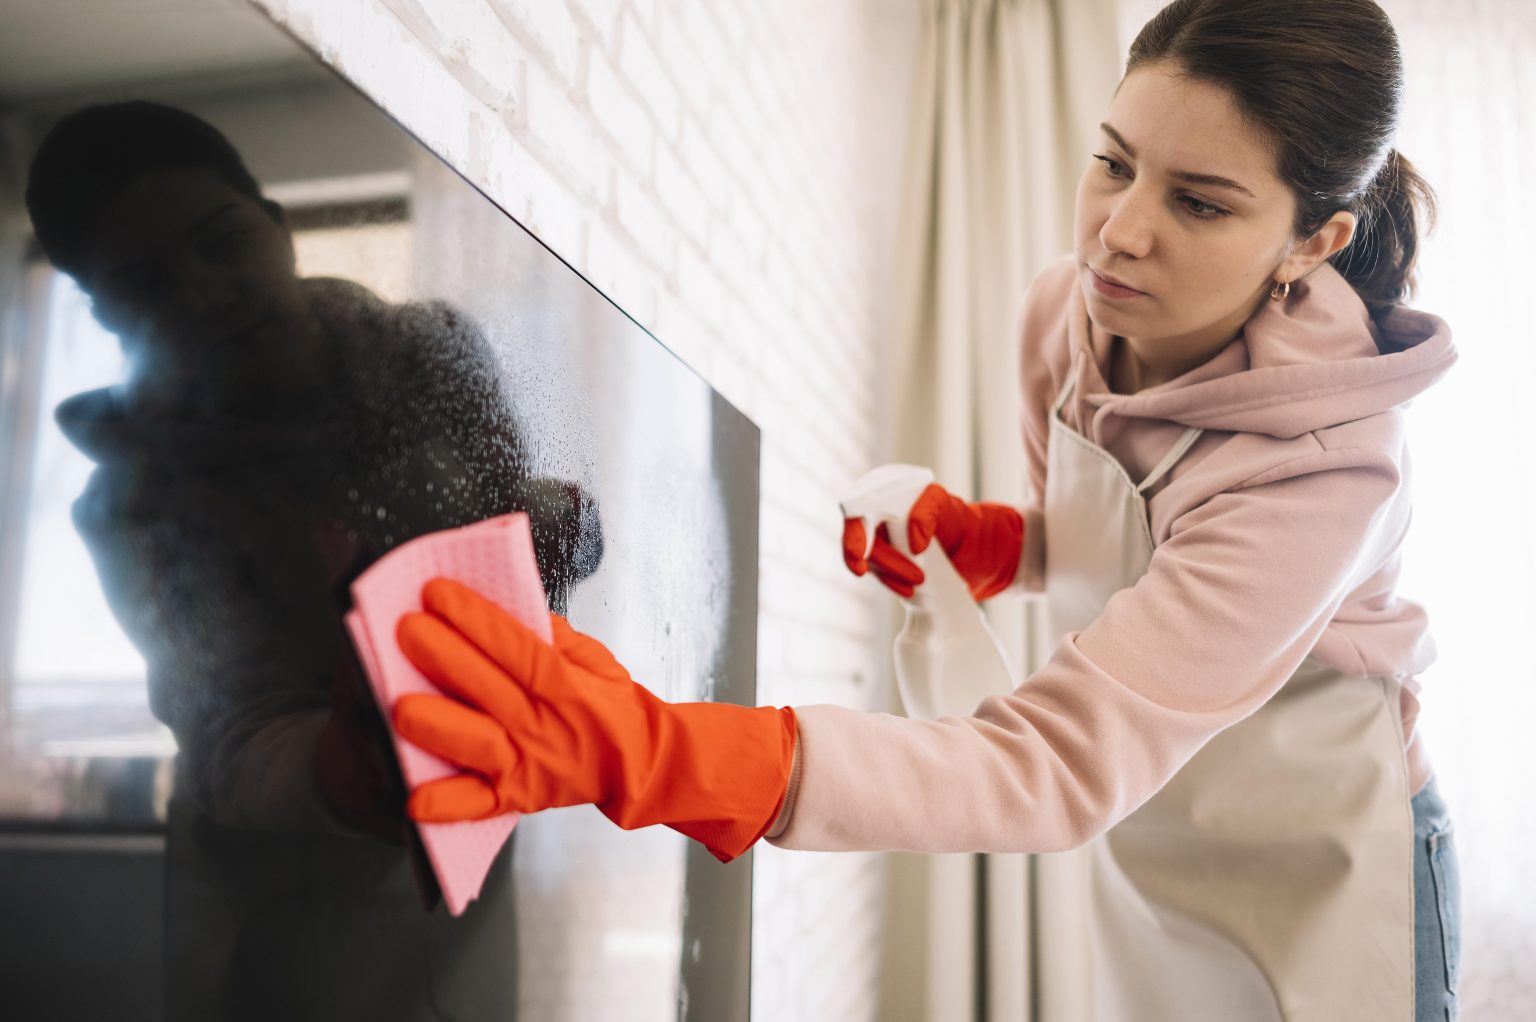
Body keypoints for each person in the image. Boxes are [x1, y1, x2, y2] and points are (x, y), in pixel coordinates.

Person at [380, 1, 1462, 1018]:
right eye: (1114, 162)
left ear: (1314, 239)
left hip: (1321, 855)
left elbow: (1059, 762)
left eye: (1199, 201)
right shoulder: (1068, 315)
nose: (1117, 234)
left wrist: (670, 754)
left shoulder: (1322, 467)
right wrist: (993, 541)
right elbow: (1111, 538)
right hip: (1159, 812)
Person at [24, 101, 600, 1020]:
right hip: (276, 889)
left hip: (469, 830)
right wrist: (343, 763)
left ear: (278, 225)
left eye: (222, 242)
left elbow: (512, 526)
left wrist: (554, 535)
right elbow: (228, 732)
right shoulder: (133, 500)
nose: (206, 294)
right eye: (145, 286)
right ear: (103, 316)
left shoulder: (436, 357)